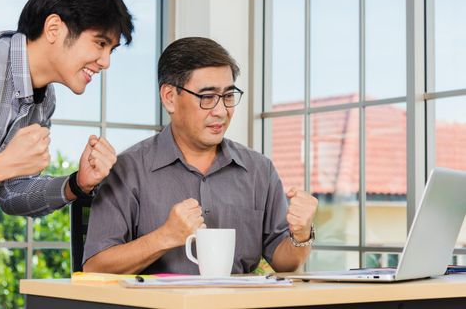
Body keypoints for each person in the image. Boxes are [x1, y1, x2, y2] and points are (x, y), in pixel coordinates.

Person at [0, 0, 133, 308]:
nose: (106, 62)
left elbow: (13, 195)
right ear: (54, 28)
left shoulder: (42, 102)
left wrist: (76, 184)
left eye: (111, 50)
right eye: (100, 43)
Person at [83, 37, 318, 275]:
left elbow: (285, 262)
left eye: (228, 96)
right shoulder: (127, 170)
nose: (221, 111)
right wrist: (164, 237)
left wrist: (301, 234)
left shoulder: (259, 170)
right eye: (207, 97)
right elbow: (95, 267)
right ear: (169, 98)